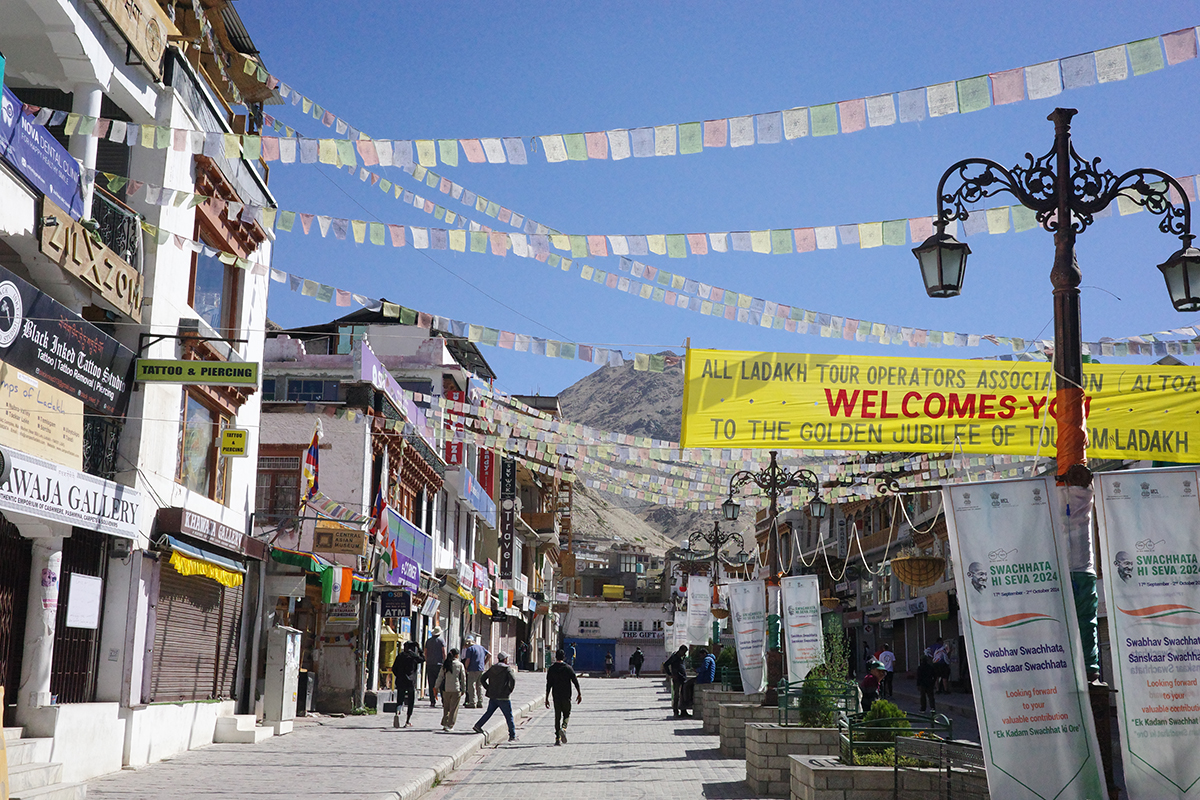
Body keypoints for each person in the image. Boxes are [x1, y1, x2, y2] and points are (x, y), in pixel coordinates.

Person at [473, 652, 519, 741]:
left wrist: (488, 688)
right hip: (504, 697)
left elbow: (482, 679)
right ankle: (512, 735)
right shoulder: (507, 669)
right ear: (505, 659)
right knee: (509, 716)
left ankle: (478, 725)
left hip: (493, 696)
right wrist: (509, 690)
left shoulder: (493, 668)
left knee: (489, 712)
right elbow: (512, 679)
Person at [545, 649, 582, 745]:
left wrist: (546, 698)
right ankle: (564, 728)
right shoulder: (568, 668)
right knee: (566, 714)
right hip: (566, 696)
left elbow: (549, 684)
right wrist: (579, 693)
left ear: (555, 657)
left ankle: (557, 738)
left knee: (557, 717)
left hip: (556, 696)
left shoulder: (552, 669)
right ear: (564, 657)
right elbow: (575, 681)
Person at [391, 641, 423, 728]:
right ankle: (407, 721)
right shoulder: (413, 657)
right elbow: (423, 659)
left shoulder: (400, 656)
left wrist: (399, 675)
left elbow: (394, 668)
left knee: (400, 699)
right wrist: (419, 649)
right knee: (410, 701)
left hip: (401, 681)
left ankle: (397, 712)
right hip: (410, 682)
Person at [437, 648, 467, 731]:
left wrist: (436, 687)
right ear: (457, 655)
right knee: (453, 708)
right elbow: (463, 678)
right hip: (456, 689)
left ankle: (445, 723)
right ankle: (450, 725)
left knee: (446, 707)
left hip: (446, 689)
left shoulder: (446, 664)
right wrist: (464, 689)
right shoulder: (460, 665)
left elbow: (440, 676)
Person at [462, 636, 490, 708]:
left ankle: (472, 702)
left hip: (472, 669)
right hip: (481, 669)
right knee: (479, 686)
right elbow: (489, 655)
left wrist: (465, 668)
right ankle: (480, 702)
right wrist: (484, 663)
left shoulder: (470, 649)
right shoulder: (481, 647)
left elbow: (468, 660)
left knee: (471, 686)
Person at [662, 645, 690, 717]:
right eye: (684, 652)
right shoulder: (674, 657)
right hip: (677, 678)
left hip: (682, 678)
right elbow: (666, 665)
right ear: (680, 650)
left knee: (683, 695)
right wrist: (670, 674)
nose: (684, 654)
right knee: (676, 695)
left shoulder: (682, 657)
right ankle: (675, 711)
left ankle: (683, 711)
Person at [424, 626, 447, 707]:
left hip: (430, 665)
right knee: (441, 683)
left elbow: (425, 653)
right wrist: (445, 662)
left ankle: (432, 701)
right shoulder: (441, 641)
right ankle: (444, 701)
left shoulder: (428, 641)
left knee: (431, 683)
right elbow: (444, 652)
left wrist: (427, 661)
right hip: (439, 665)